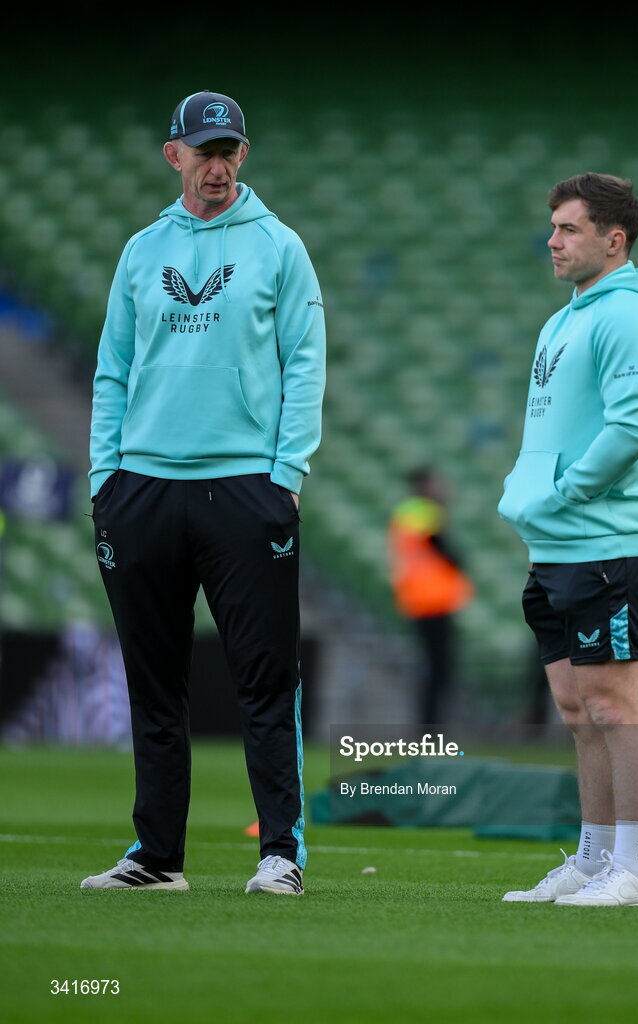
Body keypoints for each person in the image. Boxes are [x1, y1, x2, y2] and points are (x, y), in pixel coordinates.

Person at [81, 90, 326, 896]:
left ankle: (280, 854)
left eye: (229, 150)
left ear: (243, 157)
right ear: (173, 155)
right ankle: (157, 858)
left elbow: (306, 364)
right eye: (202, 150)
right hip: (141, 490)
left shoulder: (280, 247)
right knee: (154, 686)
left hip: (244, 491)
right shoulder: (142, 249)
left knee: (264, 682)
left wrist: (285, 478)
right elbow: (112, 370)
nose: (215, 164)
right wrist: (104, 480)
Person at [498, 173, 638, 907]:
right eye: (554, 227)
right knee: (574, 706)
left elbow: (631, 427)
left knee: (612, 702)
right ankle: (593, 857)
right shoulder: (566, 316)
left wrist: (564, 494)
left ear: (614, 239)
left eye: (569, 228)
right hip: (556, 545)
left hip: (604, 540)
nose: (553, 239)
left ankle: (631, 871)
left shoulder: (625, 315)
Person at [387, 467, 474, 723]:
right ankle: (430, 727)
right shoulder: (421, 511)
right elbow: (441, 546)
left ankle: (430, 725)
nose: (443, 489)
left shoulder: (410, 511)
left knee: (436, 667)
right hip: (430, 599)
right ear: (425, 485)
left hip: (423, 599)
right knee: (438, 668)